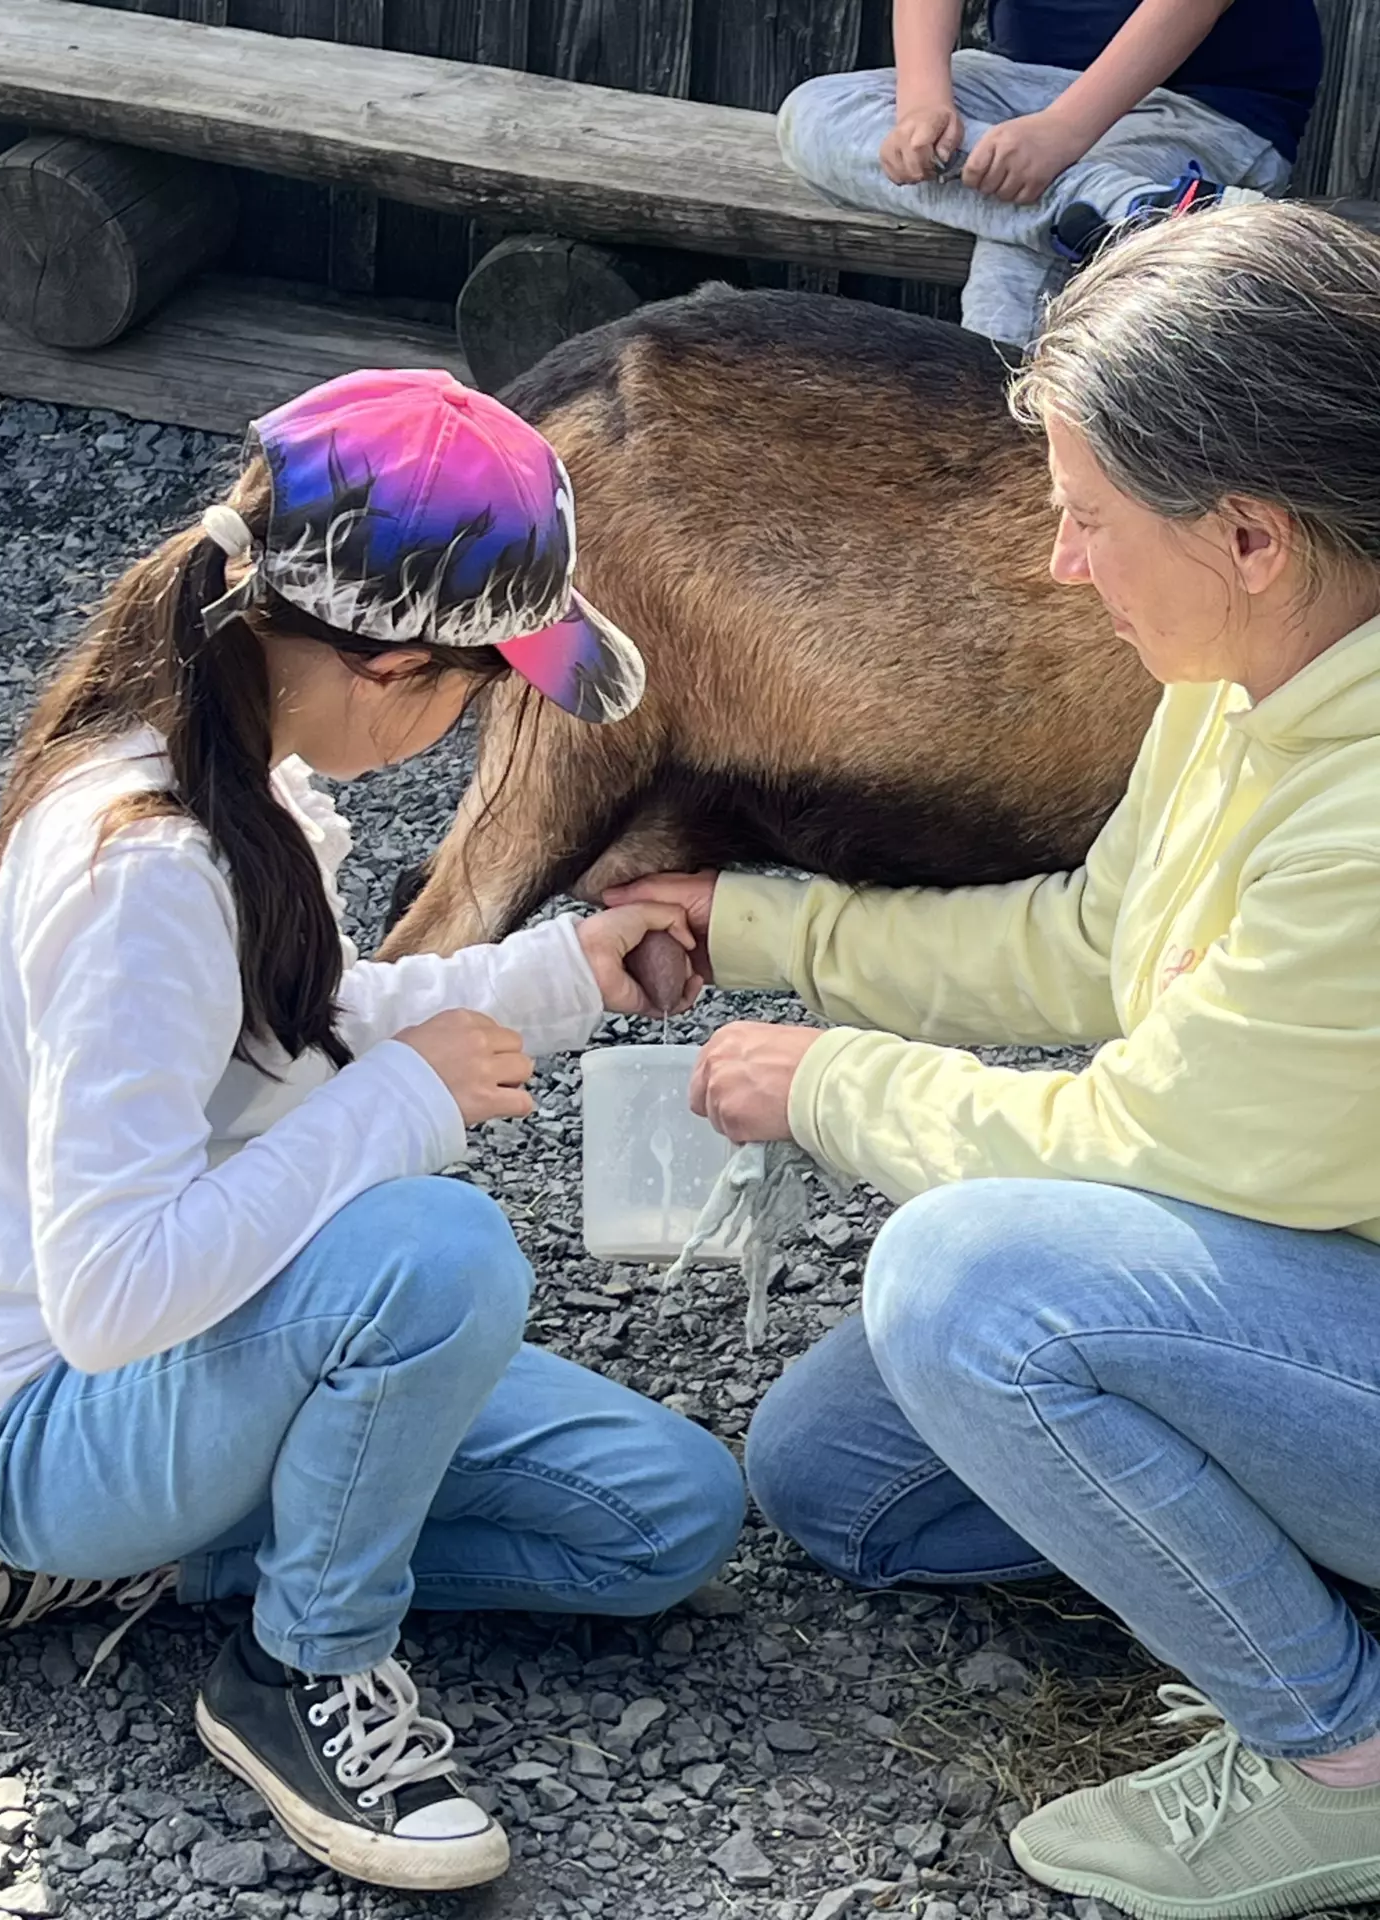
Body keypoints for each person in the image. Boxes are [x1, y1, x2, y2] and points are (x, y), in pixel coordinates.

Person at [607, 202, 1380, 1920]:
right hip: (1333, 1278)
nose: (1060, 564)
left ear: (1251, 531)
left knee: (980, 1289)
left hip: (1317, 1271)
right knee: (838, 1481)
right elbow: (1091, 943)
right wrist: (763, 926)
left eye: (1091, 521)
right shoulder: (1257, 665)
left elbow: (1141, 1147)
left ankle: (1342, 1760)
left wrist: (815, 1082)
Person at [0, 369, 744, 1895]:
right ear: (388, 666)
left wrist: (559, 974)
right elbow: (109, 1301)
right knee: (431, 1250)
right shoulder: (148, 870)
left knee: (664, 1518)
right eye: (485, 685)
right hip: (56, 1420)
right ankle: (302, 1670)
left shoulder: (248, 772)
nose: (474, 722)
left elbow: (300, 1023)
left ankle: (207, 1552)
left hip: (204, 1366)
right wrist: (403, 1104)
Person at [775, 0, 1321, 346]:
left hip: (1199, 107)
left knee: (1022, 263)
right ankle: (1129, 209)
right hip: (1017, 82)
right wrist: (922, 102)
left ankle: (1006, 476)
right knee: (814, 113)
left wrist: (1064, 132)